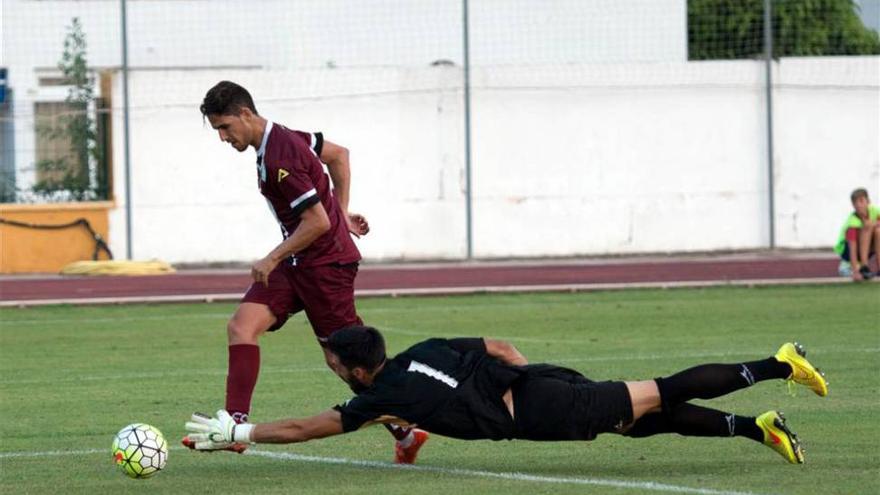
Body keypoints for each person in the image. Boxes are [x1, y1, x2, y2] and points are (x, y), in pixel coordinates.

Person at [184, 81, 426, 462]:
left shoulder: (281, 158)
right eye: (217, 130)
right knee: (241, 327)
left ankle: (406, 429)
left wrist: (274, 256)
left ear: (245, 114)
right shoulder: (284, 137)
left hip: (325, 267)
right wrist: (341, 213)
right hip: (299, 262)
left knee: (344, 360)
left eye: (225, 127)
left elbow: (316, 222)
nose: (223, 137)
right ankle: (233, 426)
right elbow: (339, 155)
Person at [185, 326, 828, 465]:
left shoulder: (378, 400)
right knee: (641, 421)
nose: (328, 365)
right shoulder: (423, 350)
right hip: (544, 385)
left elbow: (304, 429)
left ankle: (775, 364)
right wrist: (524, 378)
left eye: (331, 360)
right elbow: (496, 345)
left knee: (659, 391)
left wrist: (238, 433)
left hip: (544, 408)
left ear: (355, 369)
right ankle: (756, 426)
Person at [835, 188, 880, 281]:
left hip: (864, 249)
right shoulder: (852, 223)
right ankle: (864, 267)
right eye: (855, 203)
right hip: (849, 258)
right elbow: (852, 248)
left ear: (868, 201)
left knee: (878, 231)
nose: (858, 205)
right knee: (867, 227)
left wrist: (873, 224)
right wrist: (856, 271)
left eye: (861, 201)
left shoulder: (875, 211)